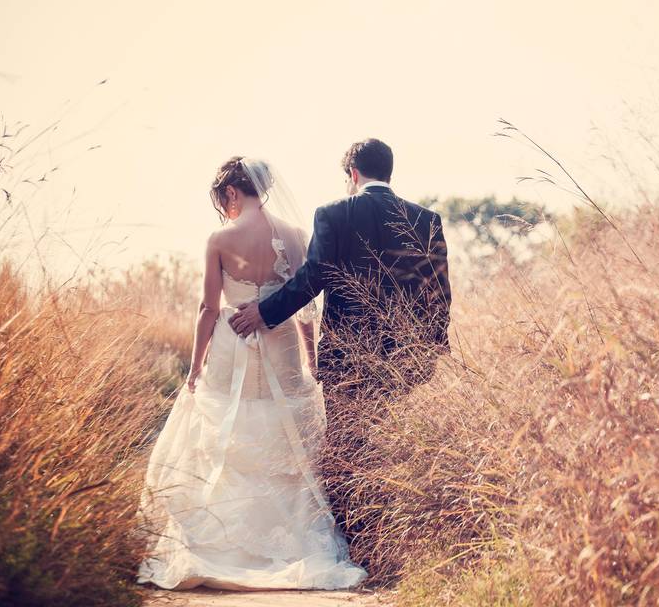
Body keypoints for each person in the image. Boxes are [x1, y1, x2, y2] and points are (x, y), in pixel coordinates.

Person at [137, 157, 367, 591]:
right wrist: (311, 362)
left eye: (221, 198)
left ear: (230, 193)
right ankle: (295, 549)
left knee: (229, 429)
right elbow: (304, 304)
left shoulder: (221, 238)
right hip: (281, 347)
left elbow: (208, 309)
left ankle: (222, 547)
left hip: (232, 346)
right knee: (284, 438)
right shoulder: (297, 235)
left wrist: (195, 365)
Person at [229, 138, 452, 544]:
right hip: (405, 356)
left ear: (352, 174)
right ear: (389, 172)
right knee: (392, 441)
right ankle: (395, 535)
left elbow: (312, 279)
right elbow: (439, 292)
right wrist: (431, 352)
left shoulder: (335, 213)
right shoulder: (427, 219)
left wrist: (264, 312)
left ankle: (356, 537)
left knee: (348, 441)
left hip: (346, 354)